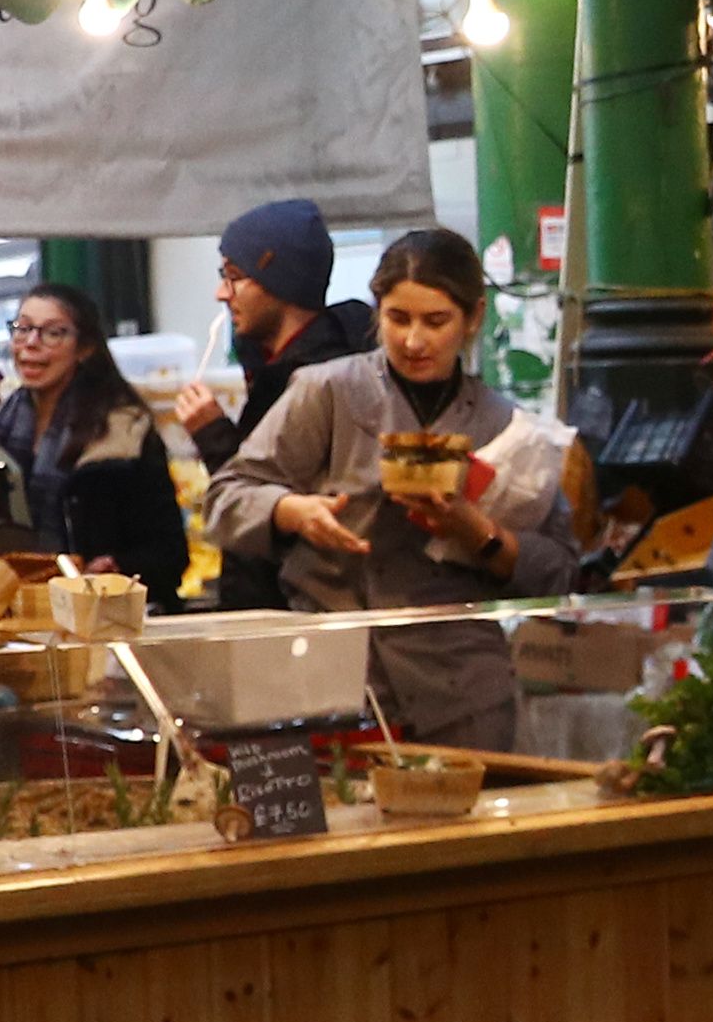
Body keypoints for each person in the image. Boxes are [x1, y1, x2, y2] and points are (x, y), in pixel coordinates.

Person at [205, 228, 574, 751]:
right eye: (398, 319)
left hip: (462, 690)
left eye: (436, 321)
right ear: (378, 312)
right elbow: (225, 497)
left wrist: (480, 533)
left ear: (473, 318)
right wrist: (292, 511)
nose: (414, 341)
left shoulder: (507, 426)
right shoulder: (327, 391)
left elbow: (560, 568)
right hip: (333, 679)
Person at [174, 197, 374, 610]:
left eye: (234, 277)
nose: (220, 293)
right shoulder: (270, 372)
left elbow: (268, 499)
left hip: (295, 613)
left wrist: (214, 435)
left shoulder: (323, 382)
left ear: (281, 283)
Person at [0, 283, 191, 608]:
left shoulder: (123, 432)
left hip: (105, 615)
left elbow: (168, 553)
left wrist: (115, 568)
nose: (30, 344)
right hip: (23, 608)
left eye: (52, 333)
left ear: (85, 348)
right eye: (22, 328)